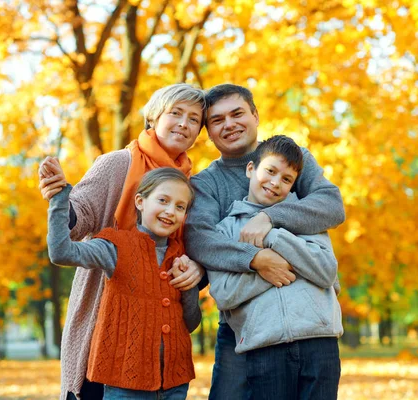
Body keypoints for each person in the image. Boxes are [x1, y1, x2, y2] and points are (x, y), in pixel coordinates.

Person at [38, 83, 207, 400]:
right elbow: (79, 219)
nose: (184, 124)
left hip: (161, 333)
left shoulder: (189, 184)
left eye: (194, 119)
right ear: (154, 117)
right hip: (106, 315)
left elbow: (189, 248)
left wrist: (197, 270)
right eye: (176, 113)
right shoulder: (118, 163)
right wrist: (60, 198)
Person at [184, 84, 346, 399]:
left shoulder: (293, 158)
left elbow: (331, 205)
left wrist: (271, 219)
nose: (229, 124)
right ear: (208, 132)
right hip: (245, 322)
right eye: (217, 120)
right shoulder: (207, 182)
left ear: (255, 116)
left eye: (237, 113)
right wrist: (256, 260)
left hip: (309, 322)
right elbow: (200, 239)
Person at [47, 167, 201, 400]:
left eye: (180, 207)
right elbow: (61, 253)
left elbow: (191, 322)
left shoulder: (180, 256)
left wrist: (188, 286)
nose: (171, 211)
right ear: (140, 201)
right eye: (163, 200)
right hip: (126, 385)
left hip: (175, 384)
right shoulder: (116, 246)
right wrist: (59, 199)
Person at [207, 135, 343, 400]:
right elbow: (223, 293)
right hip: (264, 347)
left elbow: (326, 271)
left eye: (286, 179)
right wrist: (268, 267)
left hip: (320, 341)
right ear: (250, 169)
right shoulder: (225, 230)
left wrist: (273, 237)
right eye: (270, 171)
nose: (275, 183)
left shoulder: (305, 217)